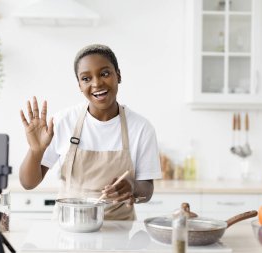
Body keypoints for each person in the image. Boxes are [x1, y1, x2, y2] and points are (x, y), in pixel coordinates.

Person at [19, 44, 161, 220]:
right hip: (69, 230)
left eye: (105, 73)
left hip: (119, 234)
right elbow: (28, 183)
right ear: (79, 85)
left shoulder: (141, 128)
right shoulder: (63, 122)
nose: (97, 83)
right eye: (86, 78)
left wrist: (133, 187)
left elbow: (147, 190)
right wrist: (36, 151)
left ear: (118, 75)